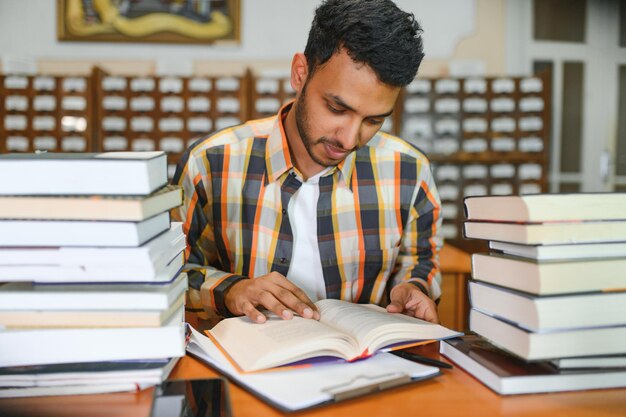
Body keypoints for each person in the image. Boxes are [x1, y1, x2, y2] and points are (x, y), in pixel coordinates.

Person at [172, 0, 443, 325]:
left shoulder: (410, 172)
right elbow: (175, 275)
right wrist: (232, 290)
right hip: (246, 370)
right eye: (337, 108)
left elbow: (420, 262)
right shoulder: (210, 163)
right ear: (300, 73)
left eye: (373, 120)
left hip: (367, 371)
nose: (349, 139)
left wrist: (412, 287)